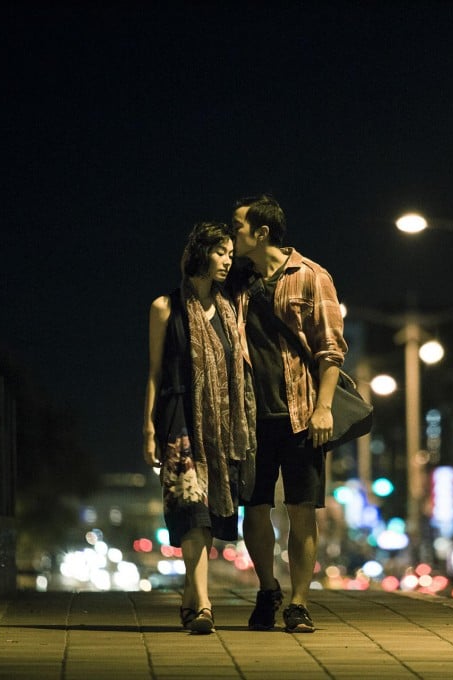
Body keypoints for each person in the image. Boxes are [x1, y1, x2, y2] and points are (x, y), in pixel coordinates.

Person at [230, 194, 347, 633]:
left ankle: (299, 603)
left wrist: (324, 408)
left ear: (262, 233)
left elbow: (330, 348)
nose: (233, 233)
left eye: (239, 226)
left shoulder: (312, 277)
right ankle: (267, 589)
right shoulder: (237, 281)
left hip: (301, 415)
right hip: (251, 417)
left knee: (302, 509)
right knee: (254, 509)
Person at [143, 221, 256, 634]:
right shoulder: (164, 307)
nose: (228, 260)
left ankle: (191, 599)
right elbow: (154, 373)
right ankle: (205, 604)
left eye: (230, 253)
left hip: (220, 428)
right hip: (177, 418)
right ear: (200, 253)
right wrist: (148, 430)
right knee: (191, 511)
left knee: (205, 516)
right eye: (220, 252)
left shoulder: (231, 311)